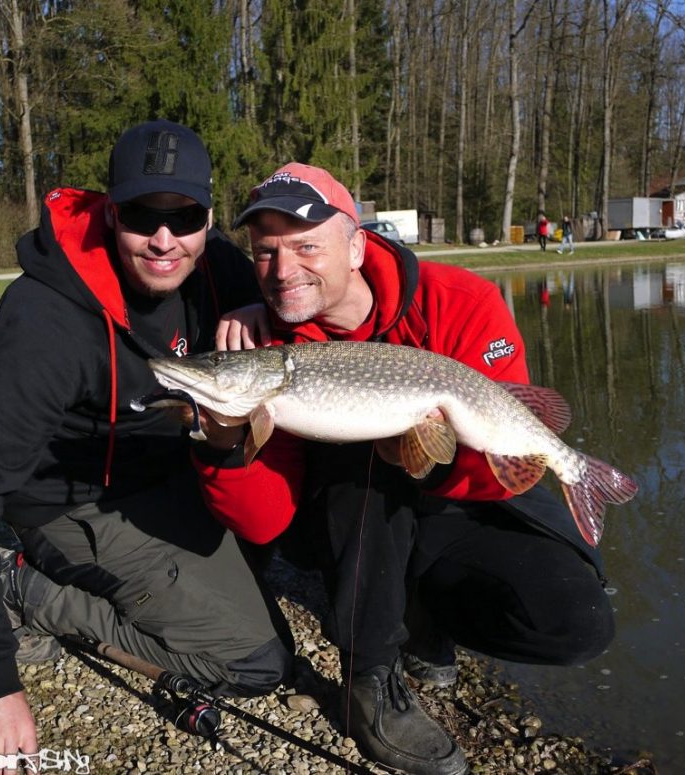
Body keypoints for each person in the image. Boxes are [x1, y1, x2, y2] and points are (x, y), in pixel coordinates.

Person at [200, 163, 615, 775]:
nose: (283, 271)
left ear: (358, 246)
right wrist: (224, 444)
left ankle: (423, 612)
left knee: (576, 624)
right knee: (361, 457)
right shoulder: (265, 344)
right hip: (346, 518)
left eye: (306, 245)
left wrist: (427, 457)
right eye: (265, 254)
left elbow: (506, 466)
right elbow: (263, 523)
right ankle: (370, 679)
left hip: (461, 501)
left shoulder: (462, 301)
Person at [0, 120, 293, 772]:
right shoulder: (46, 321)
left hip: (168, 473)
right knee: (255, 659)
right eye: (142, 215)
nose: (163, 238)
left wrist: (258, 309)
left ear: (208, 216)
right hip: (75, 502)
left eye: (184, 217)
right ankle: (26, 590)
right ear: (110, 209)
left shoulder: (220, 268)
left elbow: (324, 287)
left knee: (278, 539)